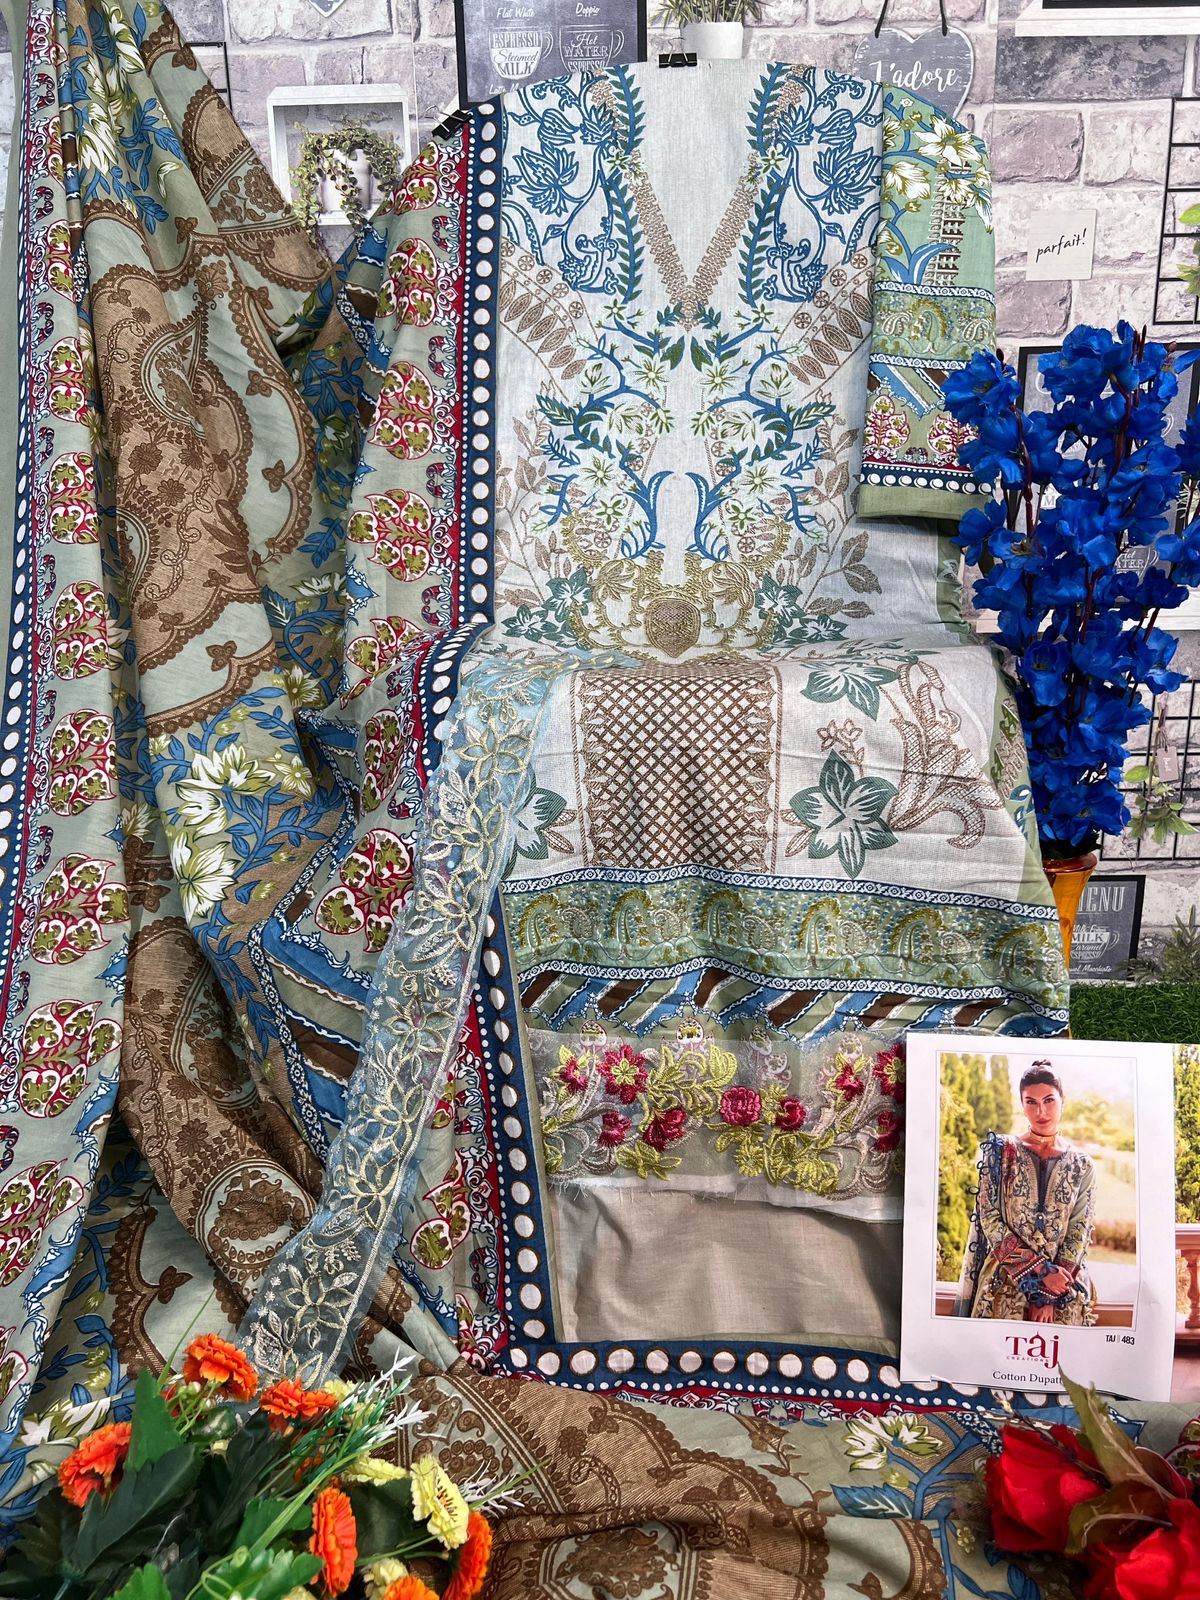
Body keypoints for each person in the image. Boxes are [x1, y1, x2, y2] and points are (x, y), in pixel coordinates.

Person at [956, 1063, 1097, 1324]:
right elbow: (989, 1218)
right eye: (1031, 1102)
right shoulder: (1000, 1152)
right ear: (1022, 1104)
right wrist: (1041, 1272)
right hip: (1004, 1279)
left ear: (1063, 1100)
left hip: (1063, 1288)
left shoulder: (1082, 1165)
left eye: (1049, 1100)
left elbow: (1079, 1230)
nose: (1040, 1111)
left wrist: (1049, 1295)